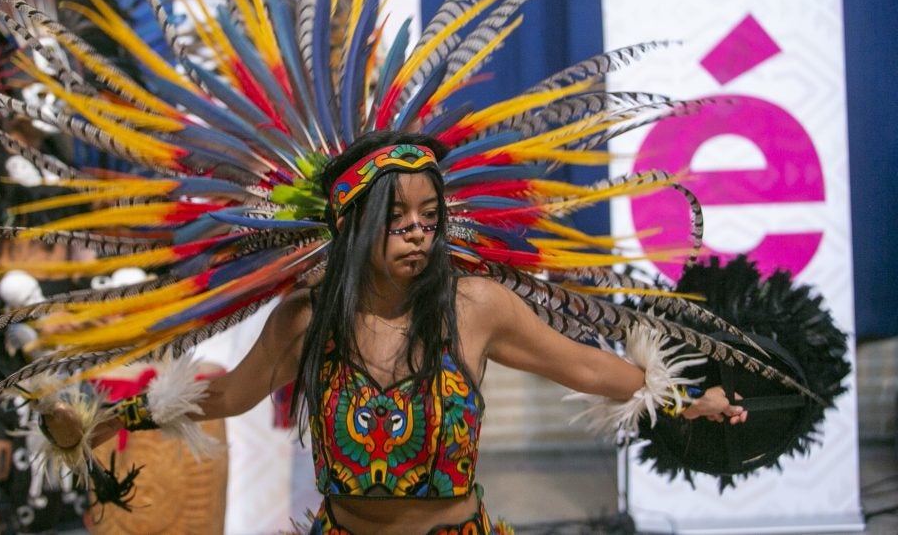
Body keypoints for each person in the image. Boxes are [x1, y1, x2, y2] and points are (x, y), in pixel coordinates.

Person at [43, 130, 747, 535]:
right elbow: (229, 395)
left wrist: (690, 398)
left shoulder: (477, 307)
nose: (417, 229)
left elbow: (590, 369)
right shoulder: (305, 319)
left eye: (429, 214)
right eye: (396, 214)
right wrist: (111, 417)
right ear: (351, 223)